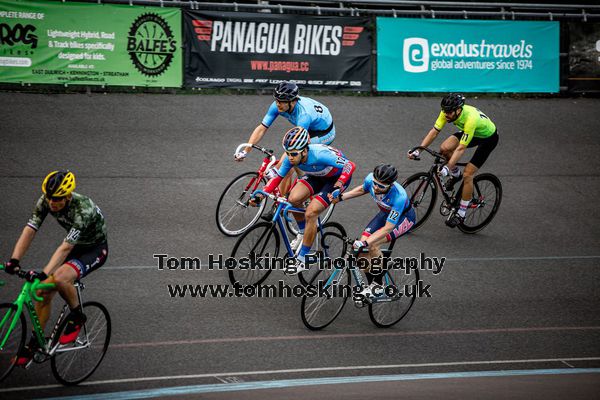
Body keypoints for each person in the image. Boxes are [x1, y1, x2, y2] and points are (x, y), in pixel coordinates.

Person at [4, 170, 108, 366]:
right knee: (42, 290)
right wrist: (14, 259)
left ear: (68, 196)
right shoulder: (45, 200)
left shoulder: (82, 210)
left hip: (94, 249)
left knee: (60, 278)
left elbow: (65, 247)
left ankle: (77, 316)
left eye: (58, 199)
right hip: (75, 246)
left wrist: (44, 272)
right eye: (50, 197)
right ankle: (35, 343)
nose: (52, 202)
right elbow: (30, 229)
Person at [250, 126, 355, 272]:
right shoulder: (290, 157)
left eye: (293, 154)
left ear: (305, 150)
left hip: (335, 179)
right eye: (287, 153)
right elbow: (278, 178)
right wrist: (262, 194)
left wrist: (339, 184)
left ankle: (303, 258)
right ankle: (302, 232)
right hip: (316, 175)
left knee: (311, 213)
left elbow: (350, 165)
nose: (290, 157)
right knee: (293, 199)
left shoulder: (320, 154)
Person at [408, 93, 499, 227]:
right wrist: (419, 149)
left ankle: (461, 213)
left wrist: (447, 167)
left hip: (488, 139)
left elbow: (461, 148)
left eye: (449, 112)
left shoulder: (471, 119)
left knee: (468, 174)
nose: (446, 114)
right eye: (444, 111)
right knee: (444, 148)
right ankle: (456, 174)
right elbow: (434, 132)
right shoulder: (446, 111)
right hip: (471, 133)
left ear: (458, 110)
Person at [234, 81, 336, 196]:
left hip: (323, 133)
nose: (278, 104)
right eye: (276, 100)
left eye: (281, 102)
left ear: (292, 102)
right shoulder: (276, 105)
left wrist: (277, 169)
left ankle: (303, 185)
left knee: (291, 159)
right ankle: (282, 202)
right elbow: (262, 128)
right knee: (288, 166)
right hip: (306, 128)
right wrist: (245, 151)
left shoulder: (303, 115)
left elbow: (297, 144)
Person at [329, 164, 415, 298]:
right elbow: (363, 189)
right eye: (375, 183)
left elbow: (388, 228)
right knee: (361, 251)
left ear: (391, 185)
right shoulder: (371, 179)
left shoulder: (399, 197)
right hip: (385, 214)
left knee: (372, 244)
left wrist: (366, 243)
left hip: (403, 219)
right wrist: (341, 197)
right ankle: (371, 286)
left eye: (381, 186)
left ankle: (378, 285)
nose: (376, 187)